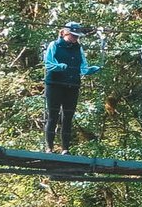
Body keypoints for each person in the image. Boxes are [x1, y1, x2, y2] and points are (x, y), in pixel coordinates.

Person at [42, 22, 100, 153]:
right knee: (53, 116)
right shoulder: (54, 45)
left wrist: (89, 70)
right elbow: (48, 63)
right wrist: (59, 66)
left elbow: (83, 67)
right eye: (73, 36)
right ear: (65, 34)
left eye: (76, 36)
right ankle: (49, 148)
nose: (75, 38)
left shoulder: (78, 48)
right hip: (55, 85)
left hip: (72, 85)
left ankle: (65, 149)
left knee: (68, 117)